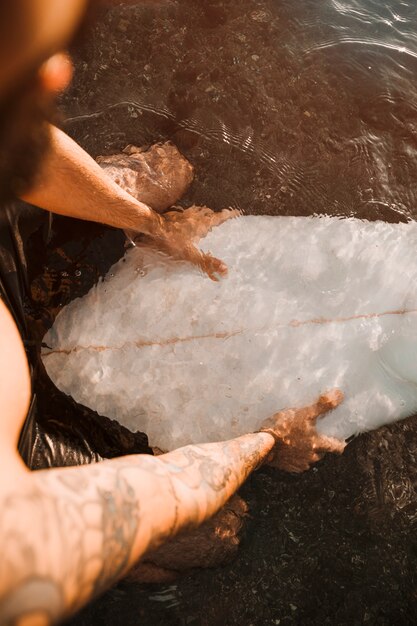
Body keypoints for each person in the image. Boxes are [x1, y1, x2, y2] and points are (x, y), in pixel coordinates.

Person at [0, 1, 346, 624]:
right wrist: (269, 438)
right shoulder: (16, 548)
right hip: (18, 467)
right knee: (215, 531)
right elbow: (169, 495)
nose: (60, 73)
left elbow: (21, 140)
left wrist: (149, 224)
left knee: (163, 173)